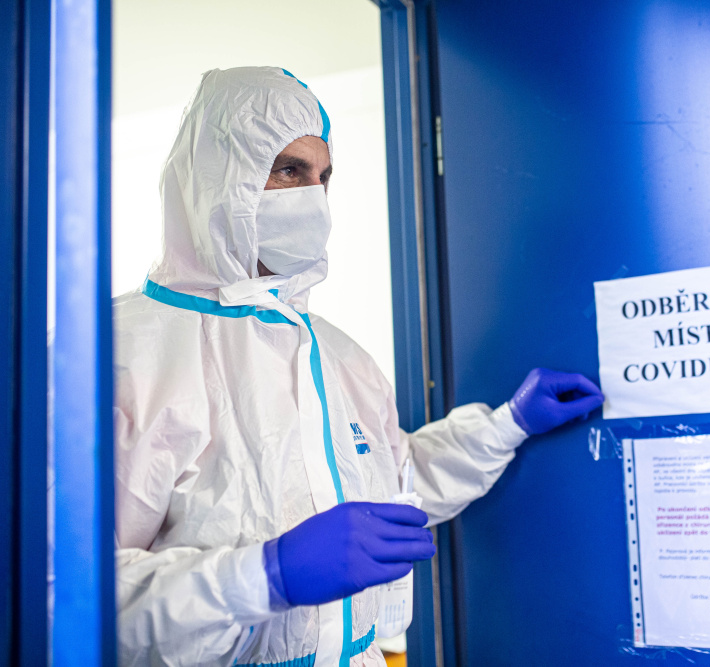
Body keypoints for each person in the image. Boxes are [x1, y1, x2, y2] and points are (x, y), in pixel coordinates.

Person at [113, 66, 604, 667]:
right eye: (288, 170)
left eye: (323, 178)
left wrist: (506, 426)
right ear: (220, 174)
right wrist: (263, 575)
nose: (312, 197)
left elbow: (398, 485)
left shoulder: (336, 354)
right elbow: (61, 593)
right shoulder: (119, 355)